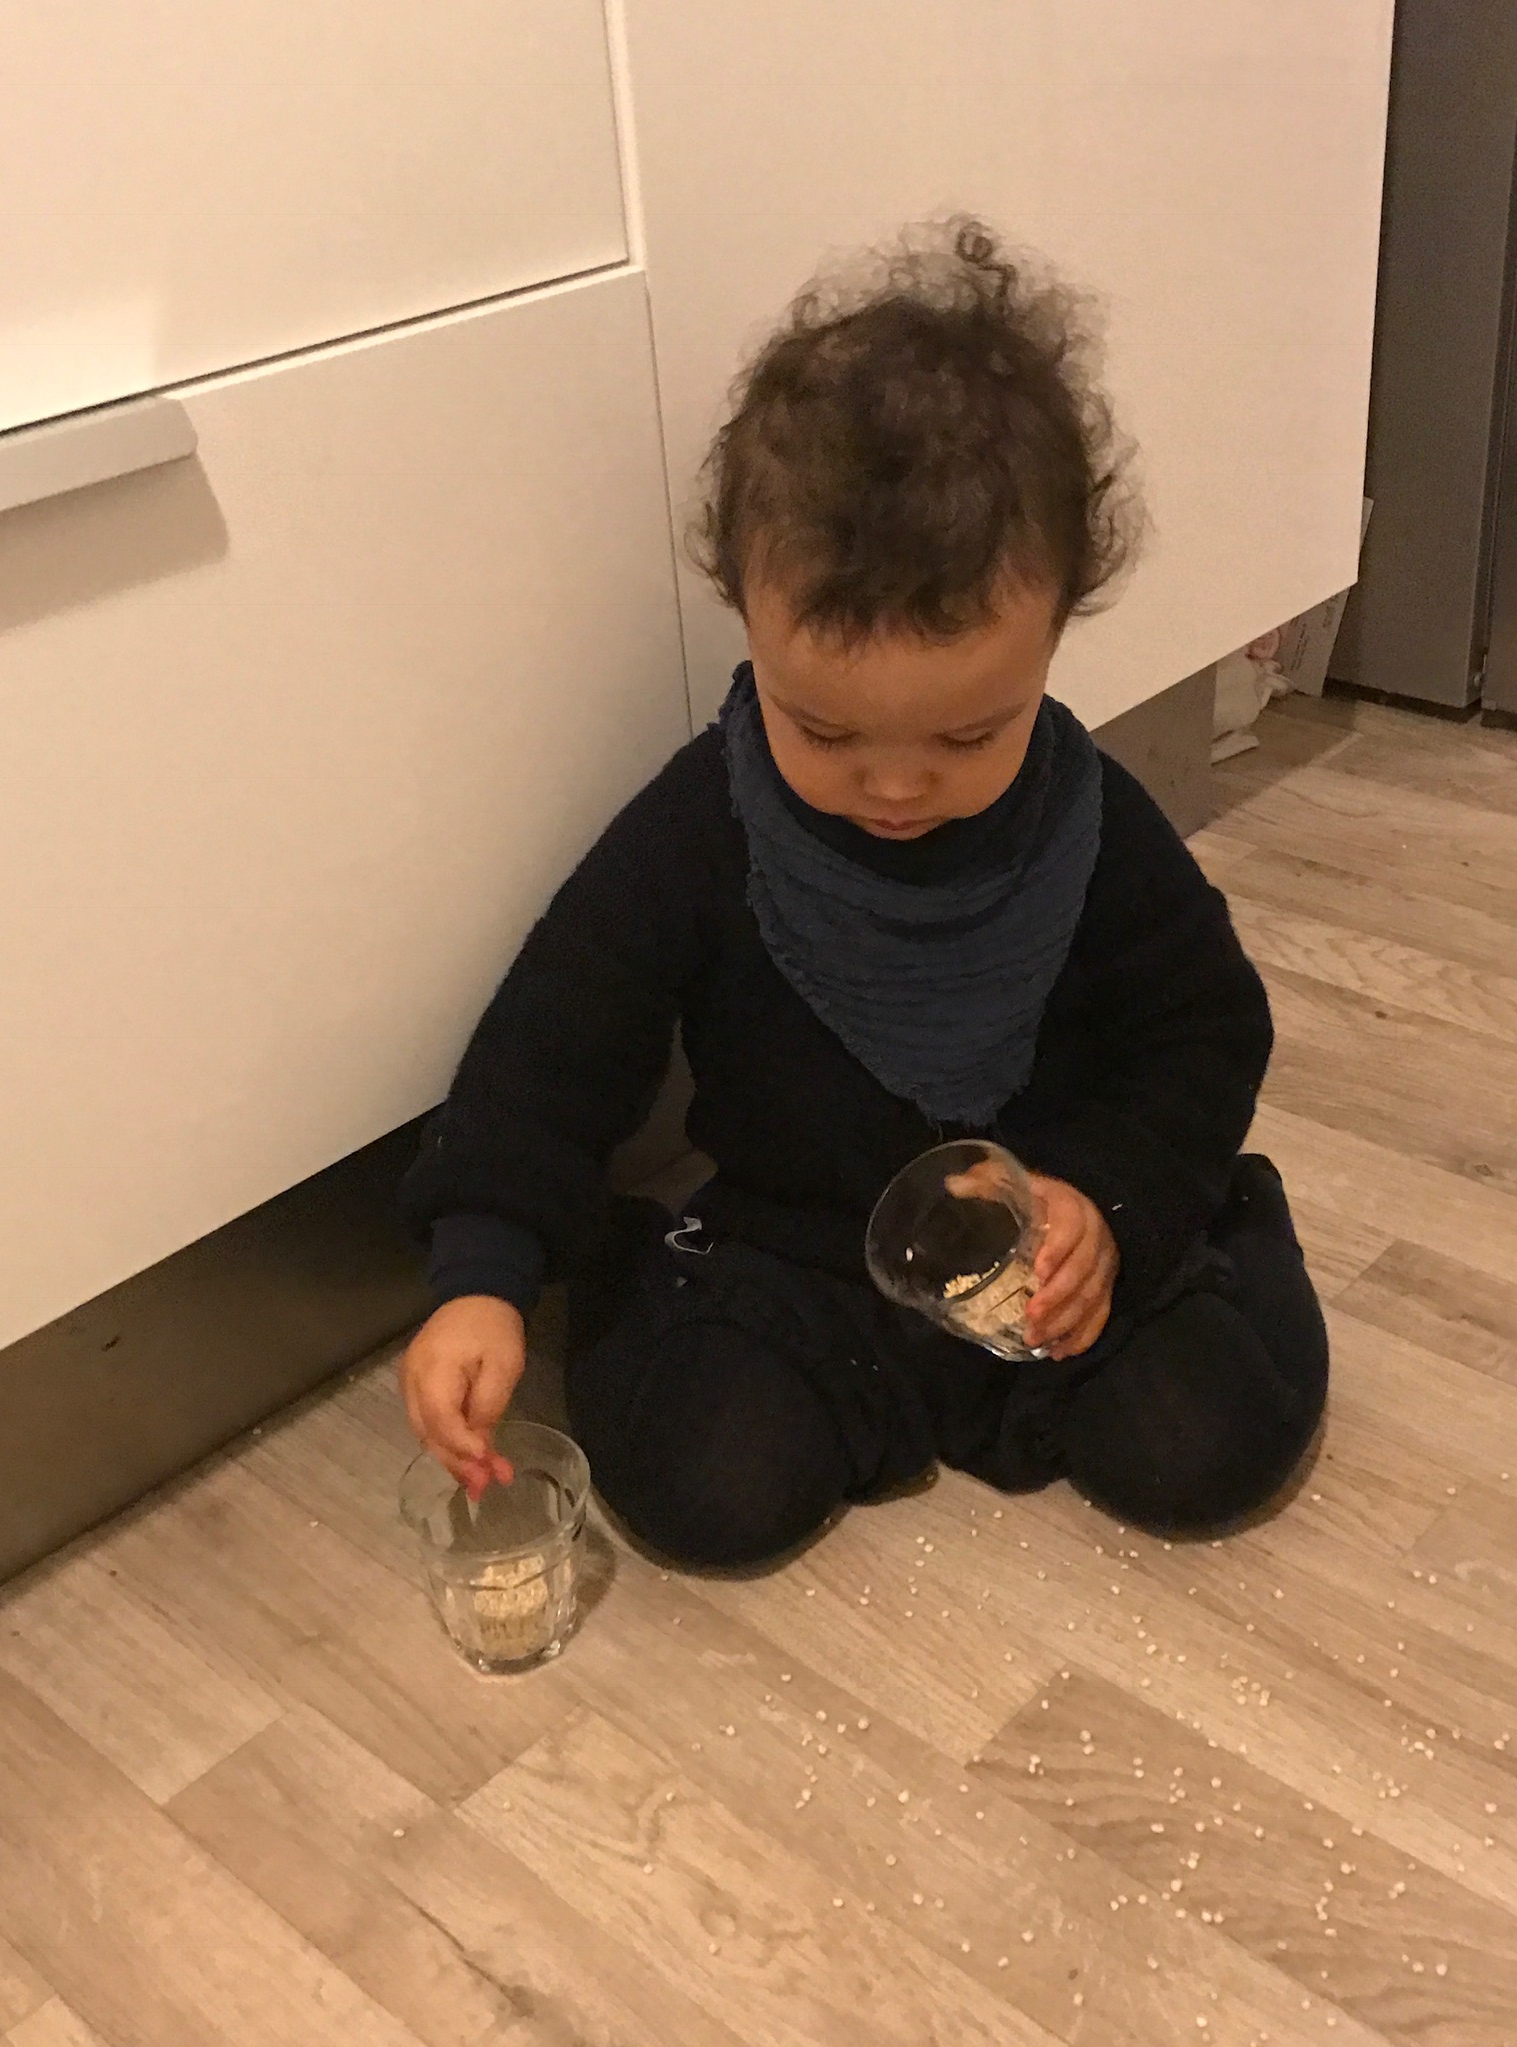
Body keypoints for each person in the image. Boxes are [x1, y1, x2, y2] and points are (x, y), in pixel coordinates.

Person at [397, 219, 1328, 1567]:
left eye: (968, 735)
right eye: (824, 730)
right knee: (710, 1493)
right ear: (745, 615)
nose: (894, 787)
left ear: (1055, 637)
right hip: (804, 1256)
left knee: (1209, 1445)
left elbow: (1206, 1028)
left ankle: (1221, 1230)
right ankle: (670, 1302)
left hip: (1051, 1245)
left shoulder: (1088, 823)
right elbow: (554, 1043)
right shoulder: (704, 825)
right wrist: (482, 1276)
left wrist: (1113, 1203)